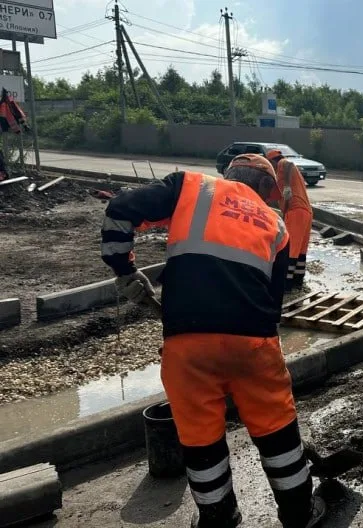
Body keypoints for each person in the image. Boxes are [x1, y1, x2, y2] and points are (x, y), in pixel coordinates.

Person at [101, 153, 325, 528]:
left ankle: (218, 517)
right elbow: (274, 302)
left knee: (200, 437)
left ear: (229, 174)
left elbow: (120, 208)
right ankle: (298, 513)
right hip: (254, 341)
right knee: (277, 429)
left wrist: (124, 270)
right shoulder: (276, 224)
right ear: (266, 188)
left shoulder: (191, 187)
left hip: (189, 342)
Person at [266, 149, 313, 289]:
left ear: (272, 161)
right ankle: (298, 281)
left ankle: (286, 283)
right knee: (300, 249)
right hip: (306, 211)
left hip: (296, 211)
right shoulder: (285, 174)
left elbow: (289, 164)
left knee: (290, 248)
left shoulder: (283, 164)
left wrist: (286, 186)